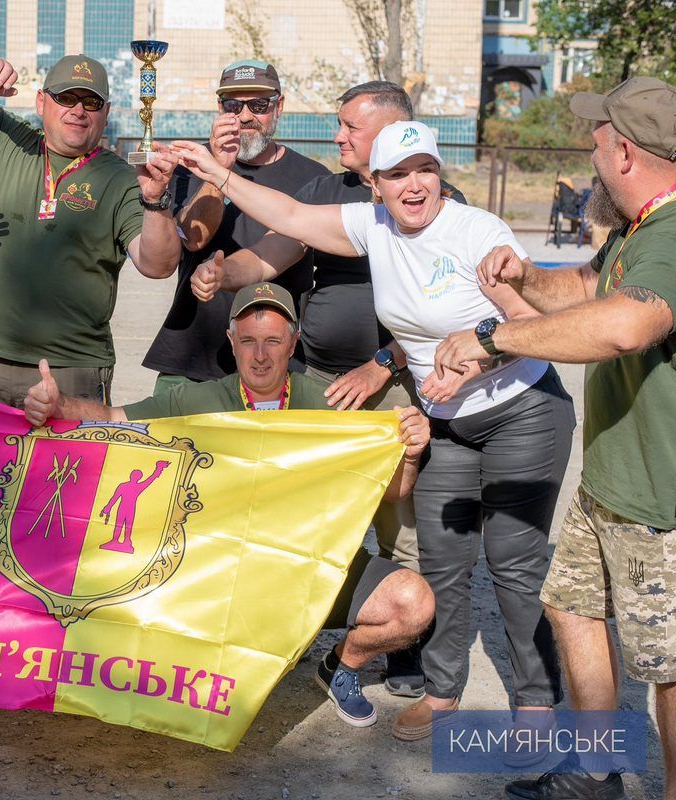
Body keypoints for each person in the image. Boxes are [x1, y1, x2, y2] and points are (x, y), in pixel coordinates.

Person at [173, 121, 575, 742]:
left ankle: (536, 707)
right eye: (397, 174)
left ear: (440, 174)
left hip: (522, 408)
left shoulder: (479, 232)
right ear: (375, 183)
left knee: (513, 565)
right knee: (442, 565)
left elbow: (533, 325)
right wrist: (217, 174)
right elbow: (288, 212)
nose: (413, 186)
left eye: (425, 170)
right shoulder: (372, 224)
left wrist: (479, 356)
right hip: (448, 420)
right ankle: (443, 695)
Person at [25, 282, 433, 728]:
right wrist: (59, 403)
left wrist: (409, 454)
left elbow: (393, 491)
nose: (261, 355)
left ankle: (340, 666)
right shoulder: (199, 400)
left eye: (274, 341)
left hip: (310, 570)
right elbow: (117, 421)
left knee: (412, 604)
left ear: (293, 343)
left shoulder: (329, 404)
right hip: (219, 578)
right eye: (249, 341)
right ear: (231, 341)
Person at [434, 77, 676, 800]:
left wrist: (491, 336)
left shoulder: (672, 236)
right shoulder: (640, 228)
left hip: (660, 505)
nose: (589, 150)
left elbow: (627, 323)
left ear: (625, 153)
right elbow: (589, 292)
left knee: (668, 667)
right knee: (571, 605)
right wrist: (526, 276)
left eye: (596, 139)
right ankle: (596, 770)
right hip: (609, 484)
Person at [187, 80, 468, 696]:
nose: (337, 136)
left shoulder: (436, 202)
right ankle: (294, 627)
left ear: (393, 129)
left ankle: (401, 647)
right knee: (309, 513)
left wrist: (382, 364)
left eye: (350, 126)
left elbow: (452, 312)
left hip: (393, 384)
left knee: (400, 518)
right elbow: (270, 255)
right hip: (316, 383)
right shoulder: (327, 190)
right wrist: (222, 271)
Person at [0, 53, 182, 407]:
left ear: (105, 113)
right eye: (66, 98)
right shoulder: (7, 138)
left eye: (91, 102)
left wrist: (155, 202)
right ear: (41, 102)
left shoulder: (122, 178)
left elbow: (158, 265)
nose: (78, 110)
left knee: (68, 466)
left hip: (73, 375)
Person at [141, 60, 328, 390]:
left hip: (274, 365)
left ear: (279, 107)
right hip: (192, 358)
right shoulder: (192, 165)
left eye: (258, 105)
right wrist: (217, 169)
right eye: (232, 105)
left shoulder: (313, 178)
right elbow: (193, 240)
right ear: (219, 108)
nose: (244, 116)